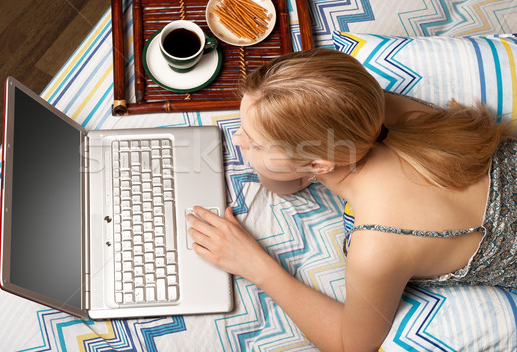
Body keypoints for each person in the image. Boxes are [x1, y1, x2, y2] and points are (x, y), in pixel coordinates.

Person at [185, 48, 517, 351]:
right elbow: (286, 181)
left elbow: (352, 345)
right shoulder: (363, 106)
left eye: (254, 143)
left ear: (319, 164)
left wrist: (256, 267)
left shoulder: (378, 245)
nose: (238, 139)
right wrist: (271, 148)